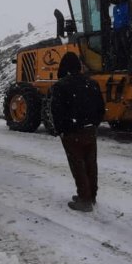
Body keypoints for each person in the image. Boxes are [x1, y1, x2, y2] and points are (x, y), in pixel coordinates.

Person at [49, 52, 106, 212]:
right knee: (90, 163)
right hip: (90, 130)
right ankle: (91, 195)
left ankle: (84, 199)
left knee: (77, 165)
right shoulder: (92, 84)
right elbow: (101, 108)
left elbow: (57, 111)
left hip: (72, 132)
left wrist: (61, 130)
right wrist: (93, 124)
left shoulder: (60, 86)